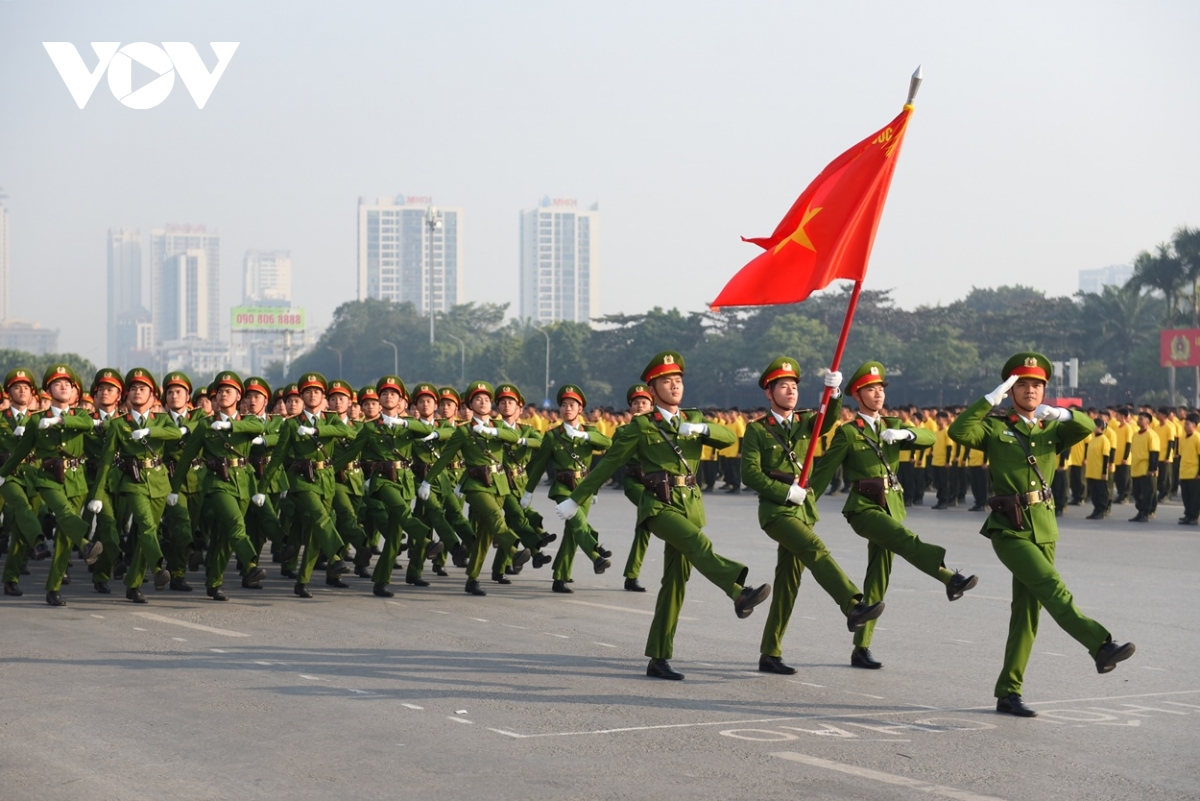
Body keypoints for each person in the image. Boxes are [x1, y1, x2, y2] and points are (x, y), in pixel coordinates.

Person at [558, 351, 771, 680]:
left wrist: (699, 428)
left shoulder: (694, 418)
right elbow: (609, 465)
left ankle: (658, 657)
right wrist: (575, 500)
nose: (674, 386)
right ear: (652, 389)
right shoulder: (641, 426)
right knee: (697, 543)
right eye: (666, 381)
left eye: (678, 380)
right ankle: (738, 591)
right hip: (659, 506)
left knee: (675, 583)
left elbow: (730, 437)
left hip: (690, 505)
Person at [948, 352, 1136, 717]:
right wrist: (989, 399)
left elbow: (1088, 426)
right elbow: (959, 431)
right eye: (1022, 385)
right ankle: (1100, 645)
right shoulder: (995, 429)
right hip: (1010, 529)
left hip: (1044, 527)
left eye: (1037, 385)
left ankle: (1009, 691)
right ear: (1010, 390)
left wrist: (1063, 413)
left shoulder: (1052, 430)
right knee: (1051, 585)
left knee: (1026, 615)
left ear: (1044, 390)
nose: (1030, 390)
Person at [809, 361, 978, 670]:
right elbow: (824, 472)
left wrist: (905, 436)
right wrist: (805, 508)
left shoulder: (894, 425)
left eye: (881, 389)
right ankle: (948, 577)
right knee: (904, 539)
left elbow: (929, 438)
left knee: (878, 578)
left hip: (892, 506)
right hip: (863, 508)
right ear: (857, 395)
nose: (878, 394)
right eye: (870, 389)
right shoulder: (849, 433)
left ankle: (861, 647)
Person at [741, 357, 885, 674]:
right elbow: (749, 473)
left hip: (802, 511)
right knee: (816, 549)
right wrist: (784, 492)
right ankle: (852, 605)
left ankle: (770, 653)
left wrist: (833, 393)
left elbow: (828, 419)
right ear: (769, 393)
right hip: (777, 512)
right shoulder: (757, 430)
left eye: (794, 386)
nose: (791, 391)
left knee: (788, 583)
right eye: (783, 386)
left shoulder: (806, 422)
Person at [0, 364, 105, 606]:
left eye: (68, 384)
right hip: (47, 478)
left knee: (65, 537)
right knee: (63, 513)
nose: (64, 387)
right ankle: (86, 543)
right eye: (58, 384)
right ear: (48, 390)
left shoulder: (81, 416)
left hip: (76, 480)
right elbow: (21, 451)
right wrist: (3, 474)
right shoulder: (37, 420)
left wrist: (59, 420)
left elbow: (90, 425)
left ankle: (54, 588)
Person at [420, 381, 532, 596]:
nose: (483, 402)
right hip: (476, 485)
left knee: (485, 534)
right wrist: (427, 481)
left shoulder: (499, 427)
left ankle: (472, 578)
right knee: (495, 515)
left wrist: (491, 432)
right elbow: (444, 458)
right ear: (470, 405)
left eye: (487, 399)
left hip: (499, 484)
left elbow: (516, 438)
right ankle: (513, 550)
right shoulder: (464, 431)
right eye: (478, 399)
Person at [168, 371, 270, 601]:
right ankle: (251, 564)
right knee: (236, 523)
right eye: (220, 391)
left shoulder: (249, 421)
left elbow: (259, 429)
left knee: (225, 535)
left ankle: (214, 582)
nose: (223, 394)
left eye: (229, 391)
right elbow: (186, 458)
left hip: (243, 483)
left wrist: (229, 427)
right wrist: (174, 489)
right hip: (217, 483)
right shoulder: (205, 425)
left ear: (238, 397)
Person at [259, 372, 352, 597]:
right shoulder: (291, 424)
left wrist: (317, 430)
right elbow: (278, 457)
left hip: (326, 480)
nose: (312, 395)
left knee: (315, 533)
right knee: (321, 517)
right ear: (302, 396)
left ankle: (302, 581)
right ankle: (336, 557)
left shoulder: (331, 419)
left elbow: (346, 431)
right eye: (308, 392)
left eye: (317, 392)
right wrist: (262, 488)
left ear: (323, 397)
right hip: (302, 481)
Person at [93, 368, 178, 603]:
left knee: (145, 535)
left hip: (159, 482)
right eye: (133, 388)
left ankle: (133, 584)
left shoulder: (162, 420)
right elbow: (106, 460)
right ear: (127, 395)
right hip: (134, 482)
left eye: (143, 388)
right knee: (147, 526)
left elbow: (176, 433)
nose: (137, 392)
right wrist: (97, 494)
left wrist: (150, 431)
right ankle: (158, 567)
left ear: (152, 396)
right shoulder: (119, 424)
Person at [526, 384, 613, 593]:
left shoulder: (590, 432)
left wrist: (586, 437)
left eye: (572, 405)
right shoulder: (552, 436)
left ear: (580, 409)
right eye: (564, 405)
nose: (567, 408)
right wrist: (528, 492)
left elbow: (607, 443)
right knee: (578, 524)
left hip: (584, 488)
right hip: (563, 488)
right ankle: (596, 556)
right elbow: (539, 466)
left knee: (572, 533)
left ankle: (560, 576)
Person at [618, 383, 655, 592]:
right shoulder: (622, 431)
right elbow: (610, 461)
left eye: (644, 402)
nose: (640, 406)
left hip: (658, 484)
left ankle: (632, 576)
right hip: (635, 482)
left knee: (644, 526)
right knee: (648, 511)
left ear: (652, 406)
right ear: (630, 408)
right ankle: (631, 575)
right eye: (636, 403)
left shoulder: (660, 431)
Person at [1129, 411, 1160, 522]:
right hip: (1135, 467)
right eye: (1138, 419)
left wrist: (1152, 469)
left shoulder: (1151, 435)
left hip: (1145, 467)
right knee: (1136, 492)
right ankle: (1140, 511)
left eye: (1141, 419)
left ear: (1148, 422)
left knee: (1148, 492)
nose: (1138, 421)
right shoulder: (1135, 435)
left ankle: (1146, 512)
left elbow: (1154, 453)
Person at [1177, 413, 1200, 525]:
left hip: (1194, 472)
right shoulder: (1183, 438)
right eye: (1184, 424)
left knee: (1194, 496)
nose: (1185, 426)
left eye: (1187, 424)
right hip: (1184, 471)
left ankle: (1194, 516)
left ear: (1194, 425)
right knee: (1186, 496)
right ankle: (1188, 514)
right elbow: (1181, 456)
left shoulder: (1197, 438)